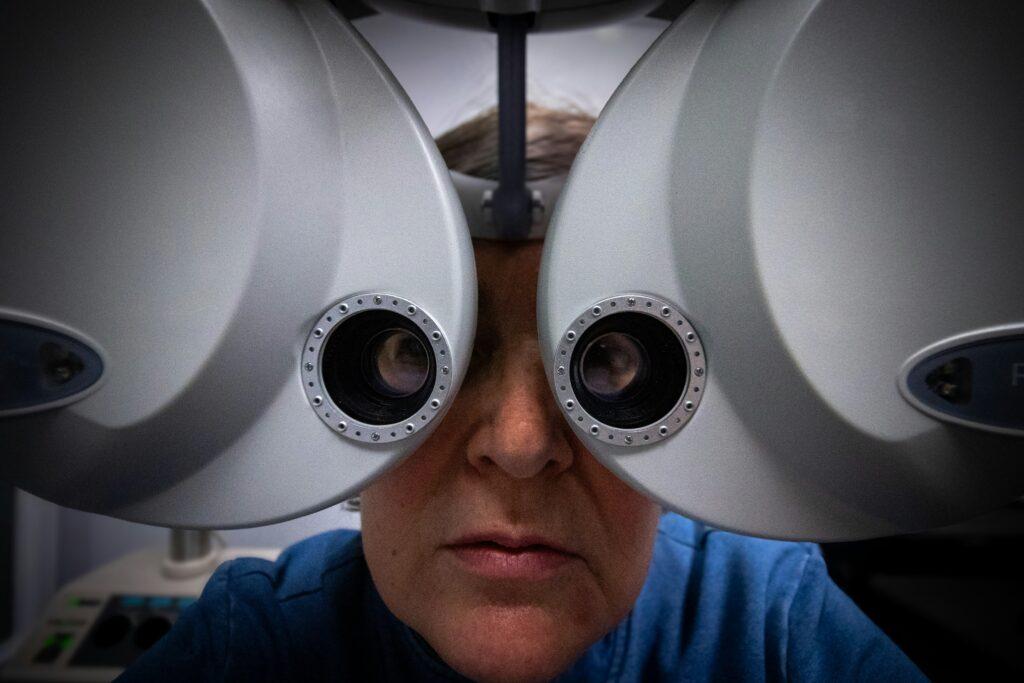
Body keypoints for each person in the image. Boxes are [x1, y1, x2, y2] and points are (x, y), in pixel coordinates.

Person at [118, 104, 926, 682]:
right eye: (416, 355)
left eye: (608, 362)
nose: (519, 442)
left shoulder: (766, 626)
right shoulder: (257, 640)